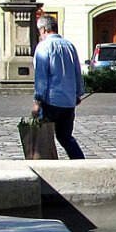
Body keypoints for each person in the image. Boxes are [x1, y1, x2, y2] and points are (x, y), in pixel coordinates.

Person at [31, 14, 85, 159]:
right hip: (68, 101)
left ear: (43, 30)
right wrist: (78, 94)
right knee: (65, 137)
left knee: (44, 138)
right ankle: (80, 162)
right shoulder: (69, 46)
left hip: (51, 100)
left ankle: (47, 166)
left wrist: (37, 101)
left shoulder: (43, 47)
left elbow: (41, 76)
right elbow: (77, 71)